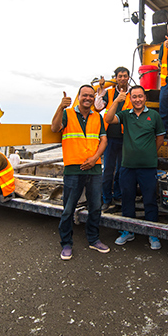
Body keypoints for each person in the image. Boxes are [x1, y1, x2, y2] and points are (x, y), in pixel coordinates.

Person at [51, 85, 110, 259]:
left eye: (91, 96)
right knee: (68, 209)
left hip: (94, 168)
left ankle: (93, 239)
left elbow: (103, 140)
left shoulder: (97, 117)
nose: (88, 98)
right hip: (73, 168)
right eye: (85, 95)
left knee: (96, 207)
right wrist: (61, 106)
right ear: (79, 96)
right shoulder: (67, 113)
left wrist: (94, 159)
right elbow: (55, 128)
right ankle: (66, 244)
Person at [104, 85, 166, 250]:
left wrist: (151, 151)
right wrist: (117, 100)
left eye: (140, 96)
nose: (137, 100)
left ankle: (153, 234)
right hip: (127, 166)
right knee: (127, 199)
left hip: (148, 167)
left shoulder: (154, 115)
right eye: (134, 97)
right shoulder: (125, 115)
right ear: (130, 99)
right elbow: (108, 119)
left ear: (145, 97)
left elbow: (160, 136)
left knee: (150, 200)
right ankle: (128, 231)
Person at [96, 67, 132, 211]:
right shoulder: (109, 93)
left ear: (128, 77)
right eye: (120, 76)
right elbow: (98, 107)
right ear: (116, 78)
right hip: (110, 138)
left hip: (126, 138)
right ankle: (106, 199)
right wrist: (100, 90)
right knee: (108, 171)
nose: (122, 78)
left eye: (125, 76)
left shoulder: (133, 93)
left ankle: (118, 196)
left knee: (122, 170)